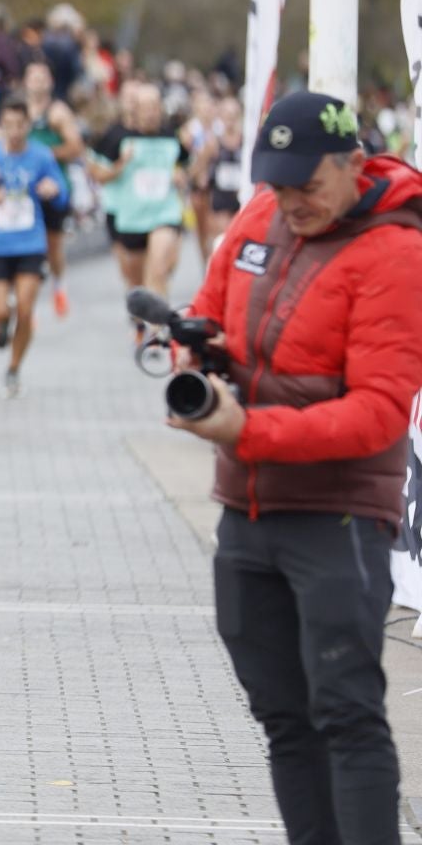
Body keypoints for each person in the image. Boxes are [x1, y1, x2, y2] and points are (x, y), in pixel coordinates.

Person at [171, 92, 422, 845]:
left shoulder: (395, 250)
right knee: (283, 717)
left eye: (307, 186)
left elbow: (380, 413)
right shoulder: (260, 215)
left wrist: (246, 429)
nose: (290, 204)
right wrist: (193, 359)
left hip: (338, 518)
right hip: (246, 510)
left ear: (353, 165)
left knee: (346, 713)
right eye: (277, 186)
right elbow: (206, 311)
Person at [0, 98, 65, 398]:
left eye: (20, 125)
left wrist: (53, 190)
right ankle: (1, 323)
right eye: (9, 125)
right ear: (1, 126)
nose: (15, 131)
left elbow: (62, 193)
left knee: (25, 307)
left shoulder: (41, 156)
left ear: (28, 126)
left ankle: (13, 368)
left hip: (30, 243)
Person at [90, 80, 187, 311]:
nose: (151, 113)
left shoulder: (170, 136)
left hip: (164, 212)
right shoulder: (118, 137)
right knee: (136, 284)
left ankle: (159, 326)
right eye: (146, 107)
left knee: (158, 271)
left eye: (155, 106)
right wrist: (120, 166)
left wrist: (181, 175)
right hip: (131, 218)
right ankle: (142, 321)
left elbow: (186, 165)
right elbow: (98, 174)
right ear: (136, 110)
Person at [21, 60, 86, 318]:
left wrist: (43, 154)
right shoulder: (19, 111)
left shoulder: (57, 113)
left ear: (50, 82)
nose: (37, 83)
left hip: (54, 186)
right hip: (25, 188)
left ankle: (59, 284)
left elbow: (75, 147)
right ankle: (27, 302)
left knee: (52, 243)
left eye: (42, 78)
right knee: (26, 243)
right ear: (25, 82)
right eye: (33, 78)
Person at [194, 95, 246, 255]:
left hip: (241, 198)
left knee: (240, 242)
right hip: (220, 199)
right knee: (223, 241)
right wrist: (202, 176)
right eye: (227, 116)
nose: (231, 120)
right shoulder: (213, 142)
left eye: (234, 116)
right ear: (221, 117)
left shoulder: (246, 141)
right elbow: (197, 169)